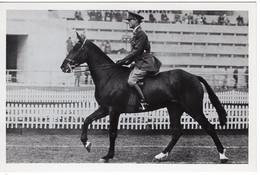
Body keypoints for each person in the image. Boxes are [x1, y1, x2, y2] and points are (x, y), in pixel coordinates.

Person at [116, 11, 162, 110]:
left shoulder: (141, 33)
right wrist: (124, 62)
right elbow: (134, 52)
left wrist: (123, 61)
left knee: (131, 81)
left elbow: (136, 51)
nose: (128, 22)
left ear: (136, 20)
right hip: (139, 61)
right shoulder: (137, 33)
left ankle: (143, 101)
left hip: (144, 62)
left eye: (130, 20)